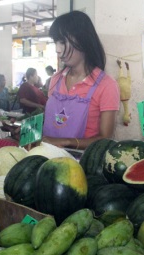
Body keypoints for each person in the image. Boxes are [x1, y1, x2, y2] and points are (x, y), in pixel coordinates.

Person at [42, 10, 120, 150]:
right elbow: (52, 122)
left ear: (83, 40)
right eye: (55, 42)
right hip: (47, 161)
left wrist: (67, 142)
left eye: (62, 42)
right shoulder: (56, 80)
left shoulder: (106, 85)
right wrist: (28, 131)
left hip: (81, 166)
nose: (57, 49)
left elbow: (105, 139)